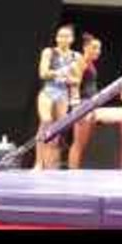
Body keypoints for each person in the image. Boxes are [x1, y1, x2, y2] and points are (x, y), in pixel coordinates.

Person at [35, 25, 80, 170]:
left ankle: (51, 164)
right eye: (60, 36)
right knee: (46, 121)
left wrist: (68, 79)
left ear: (72, 39)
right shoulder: (49, 52)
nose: (63, 39)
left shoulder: (75, 56)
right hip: (48, 91)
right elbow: (43, 73)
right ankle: (38, 163)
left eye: (66, 36)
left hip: (63, 93)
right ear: (56, 38)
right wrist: (61, 72)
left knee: (57, 130)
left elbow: (76, 80)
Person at [68, 33, 102, 170]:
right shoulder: (81, 62)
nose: (97, 51)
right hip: (82, 105)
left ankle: (75, 170)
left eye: (99, 48)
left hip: (89, 105)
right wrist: (76, 106)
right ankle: (72, 172)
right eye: (94, 48)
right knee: (78, 143)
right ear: (85, 47)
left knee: (82, 143)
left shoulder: (91, 64)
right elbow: (74, 85)